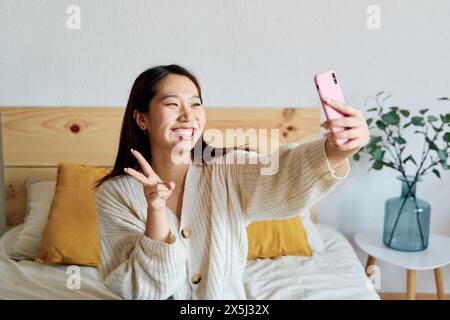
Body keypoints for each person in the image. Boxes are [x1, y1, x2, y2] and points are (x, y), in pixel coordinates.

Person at [94, 64, 370, 299]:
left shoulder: (227, 170)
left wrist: (336, 150)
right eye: (172, 104)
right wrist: (155, 211)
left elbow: (283, 176)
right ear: (142, 118)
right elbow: (141, 290)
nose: (188, 115)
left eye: (195, 103)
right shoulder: (115, 194)